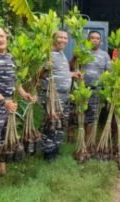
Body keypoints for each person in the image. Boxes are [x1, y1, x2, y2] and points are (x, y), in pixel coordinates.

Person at [0, 27, 36, 182]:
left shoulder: (10, 57)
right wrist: (4, 102)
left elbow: (14, 81)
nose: (1, 39)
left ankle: (2, 171)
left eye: (2, 36)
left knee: (3, 140)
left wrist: (25, 95)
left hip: (8, 107)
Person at [40, 30, 82, 161]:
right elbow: (38, 75)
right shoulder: (47, 54)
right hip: (53, 95)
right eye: (60, 37)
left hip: (64, 96)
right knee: (51, 123)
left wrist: (73, 74)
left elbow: (61, 73)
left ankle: (55, 149)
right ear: (53, 39)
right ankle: (48, 153)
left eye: (65, 38)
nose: (63, 40)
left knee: (61, 123)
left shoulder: (61, 54)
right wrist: (44, 68)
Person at [71, 31, 111, 140]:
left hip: (96, 90)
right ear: (88, 40)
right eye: (92, 38)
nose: (95, 40)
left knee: (92, 116)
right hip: (81, 88)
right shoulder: (82, 53)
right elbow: (72, 68)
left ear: (100, 41)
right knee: (79, 113)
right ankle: (79, 138)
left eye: (97, 38)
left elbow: (109, 71)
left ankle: (88, 140)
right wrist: (74, 57)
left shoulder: (105, 55)